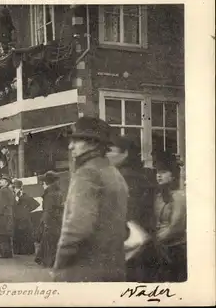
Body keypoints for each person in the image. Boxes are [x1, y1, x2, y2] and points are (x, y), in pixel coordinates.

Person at [53, 117, 129, 282]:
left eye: (76, 141)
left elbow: (76, 228)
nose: (70, 146)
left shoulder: (87, 173)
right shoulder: (114, 173)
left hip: (84, 271)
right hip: (114, 269)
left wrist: (59, 267)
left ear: (93, 143)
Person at [107, 135, 158, 282]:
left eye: (111, 151)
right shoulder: (131, 174)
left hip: (132, 241)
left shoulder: (127, 177)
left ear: (125, 153)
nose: (106, 154)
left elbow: (129, 212)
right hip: (139, 240)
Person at [153, 151, 187, 282]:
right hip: (161, 249)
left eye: (163, 172)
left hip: (174, 250)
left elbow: (176, 227)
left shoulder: (179, 197)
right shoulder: (159, 196)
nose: (158, 175)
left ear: (173, 176)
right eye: (157, 172)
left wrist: (155, 240)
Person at [34, 171, 63, 267]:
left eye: (43, 183)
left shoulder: (49, 194)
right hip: (57, 220)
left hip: (50, 221)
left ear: (47, 183)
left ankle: (48, 262)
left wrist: (44, 222)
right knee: (51, 241)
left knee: (49, 241)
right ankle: (47, 260)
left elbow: (48, 209)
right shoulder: (57, 192)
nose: (42, 185)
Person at [0, 174, 16, 258]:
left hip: (2, 217)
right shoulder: (9, 191)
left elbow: (0, 205)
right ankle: (8, 253)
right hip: (8, 216)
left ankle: (4, 253)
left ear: (6, 182)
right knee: (6, 236)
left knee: (2, 235)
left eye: (2, 180)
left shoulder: (3, 191)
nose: (0, 181)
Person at [12, 179, 40, 255]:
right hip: (17, 218)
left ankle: (27, 251)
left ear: (20, 188)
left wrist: (27, 210)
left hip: (24, 219)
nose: (15, 189)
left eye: (16, 187)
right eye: (14, 187)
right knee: (18, 234)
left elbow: (36, 204)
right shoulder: (13, 196)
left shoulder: (25, 196)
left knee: (26, 235)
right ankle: (19, 251)